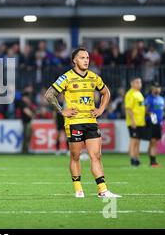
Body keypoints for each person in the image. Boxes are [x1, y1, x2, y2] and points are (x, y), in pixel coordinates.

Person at [45, 47, 120, 198]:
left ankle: (103, 190)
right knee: (75, 156)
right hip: (74, 122)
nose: (86, 60)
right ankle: (78, 189)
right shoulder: (66, 77)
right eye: (82, 58)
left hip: (91, 121)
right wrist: (61, 111)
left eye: (87, 57)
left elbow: (106, 92)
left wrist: (101, 109)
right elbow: (49, 94)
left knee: (96, 156)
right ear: (74, 60)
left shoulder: (94, 77)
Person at [125, 77, 146, 167]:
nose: (139, 84)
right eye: (137, 82)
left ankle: (137, 158)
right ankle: (132, 159)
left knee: (138, 141)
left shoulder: (139, 93)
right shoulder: (130, 94)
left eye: (140, 82)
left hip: (140, 122)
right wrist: (133, 121)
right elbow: (128, 108)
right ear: (132, 83)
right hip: (134, 122)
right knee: (133, 141)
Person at [145, 82, 165, 167]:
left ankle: (151, 159)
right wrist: (151, 115)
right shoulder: (149, 98)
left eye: (158, 87)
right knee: (153, 141)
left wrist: (164, 117)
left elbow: (161, 110)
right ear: (152, 89)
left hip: (159, 122)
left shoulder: (161, 99)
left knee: (154, 141)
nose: (157, 89)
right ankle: (153, 161)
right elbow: (145, 111)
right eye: (155, 87)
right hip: (152, 122)